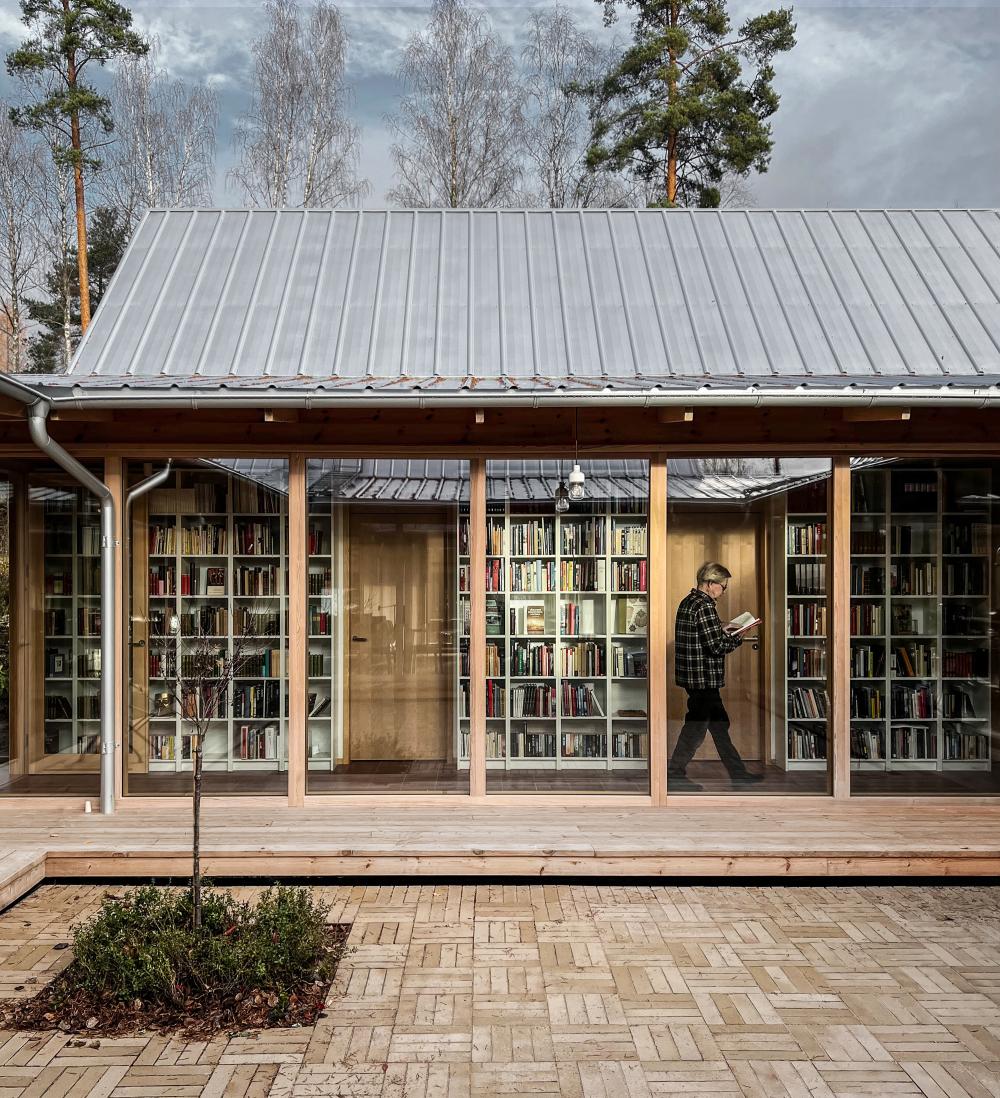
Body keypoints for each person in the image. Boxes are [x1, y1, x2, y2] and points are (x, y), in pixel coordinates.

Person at [668, 562, 764, 791]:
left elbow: (702, 633)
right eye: (723, 586)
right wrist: (739, 635)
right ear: (710, 584)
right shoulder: (705, 606)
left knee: (719, 726)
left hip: (694, 678)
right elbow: (716, 646)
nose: (723, 591)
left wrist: (724, 627)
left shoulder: (688, 602)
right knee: (696, 727)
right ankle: (674, 775)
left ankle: (738, 774)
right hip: (703, 679)